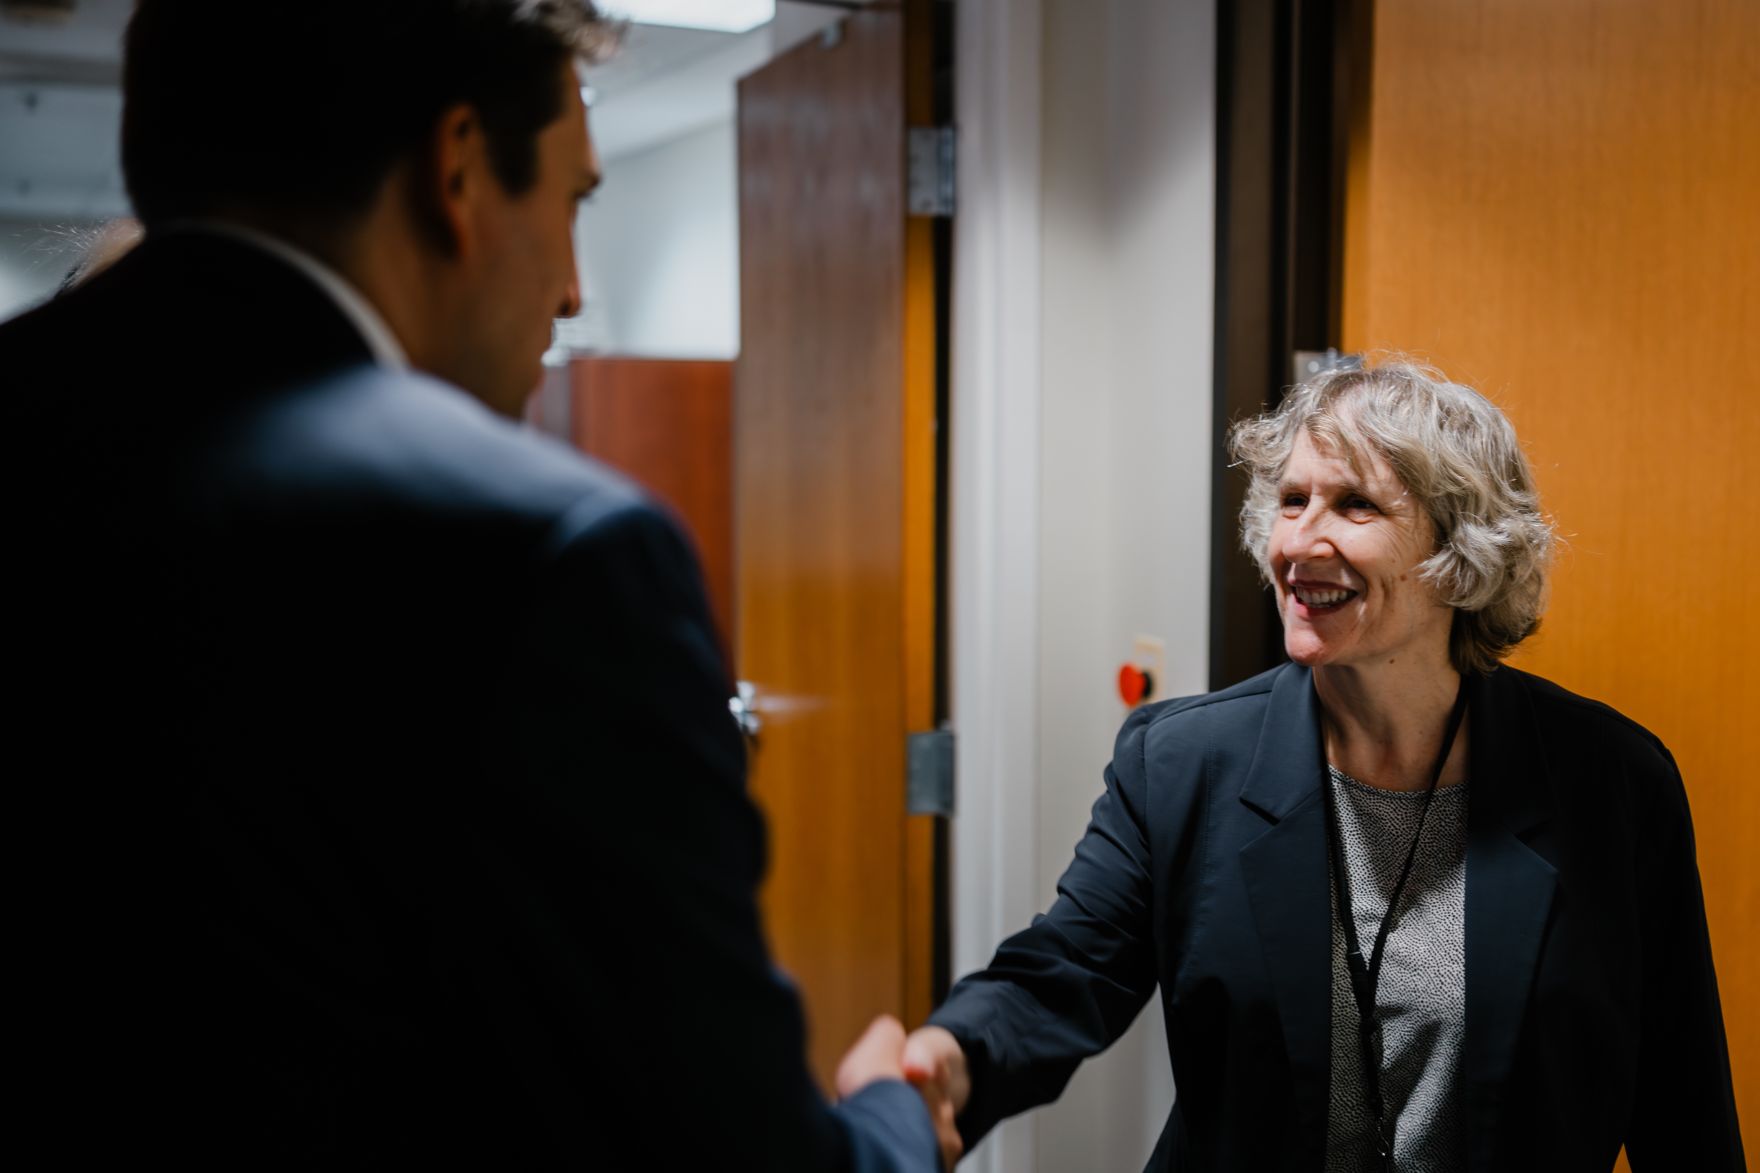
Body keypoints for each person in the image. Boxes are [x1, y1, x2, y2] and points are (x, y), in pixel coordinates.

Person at [4, 1, 944, 1167]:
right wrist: (890, 1116)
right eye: (572, 203)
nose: (568, 291)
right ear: (455, 171)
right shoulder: (546, 551)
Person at [901, 359, 1744, 1170]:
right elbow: (1063, 972)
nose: (1300, 540)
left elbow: (1682, 1097)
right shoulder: (1181, 763)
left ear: (1459, 553)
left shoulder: (1612, 784)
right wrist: (950, 1054)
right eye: (1291, 500)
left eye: (1354, 505)